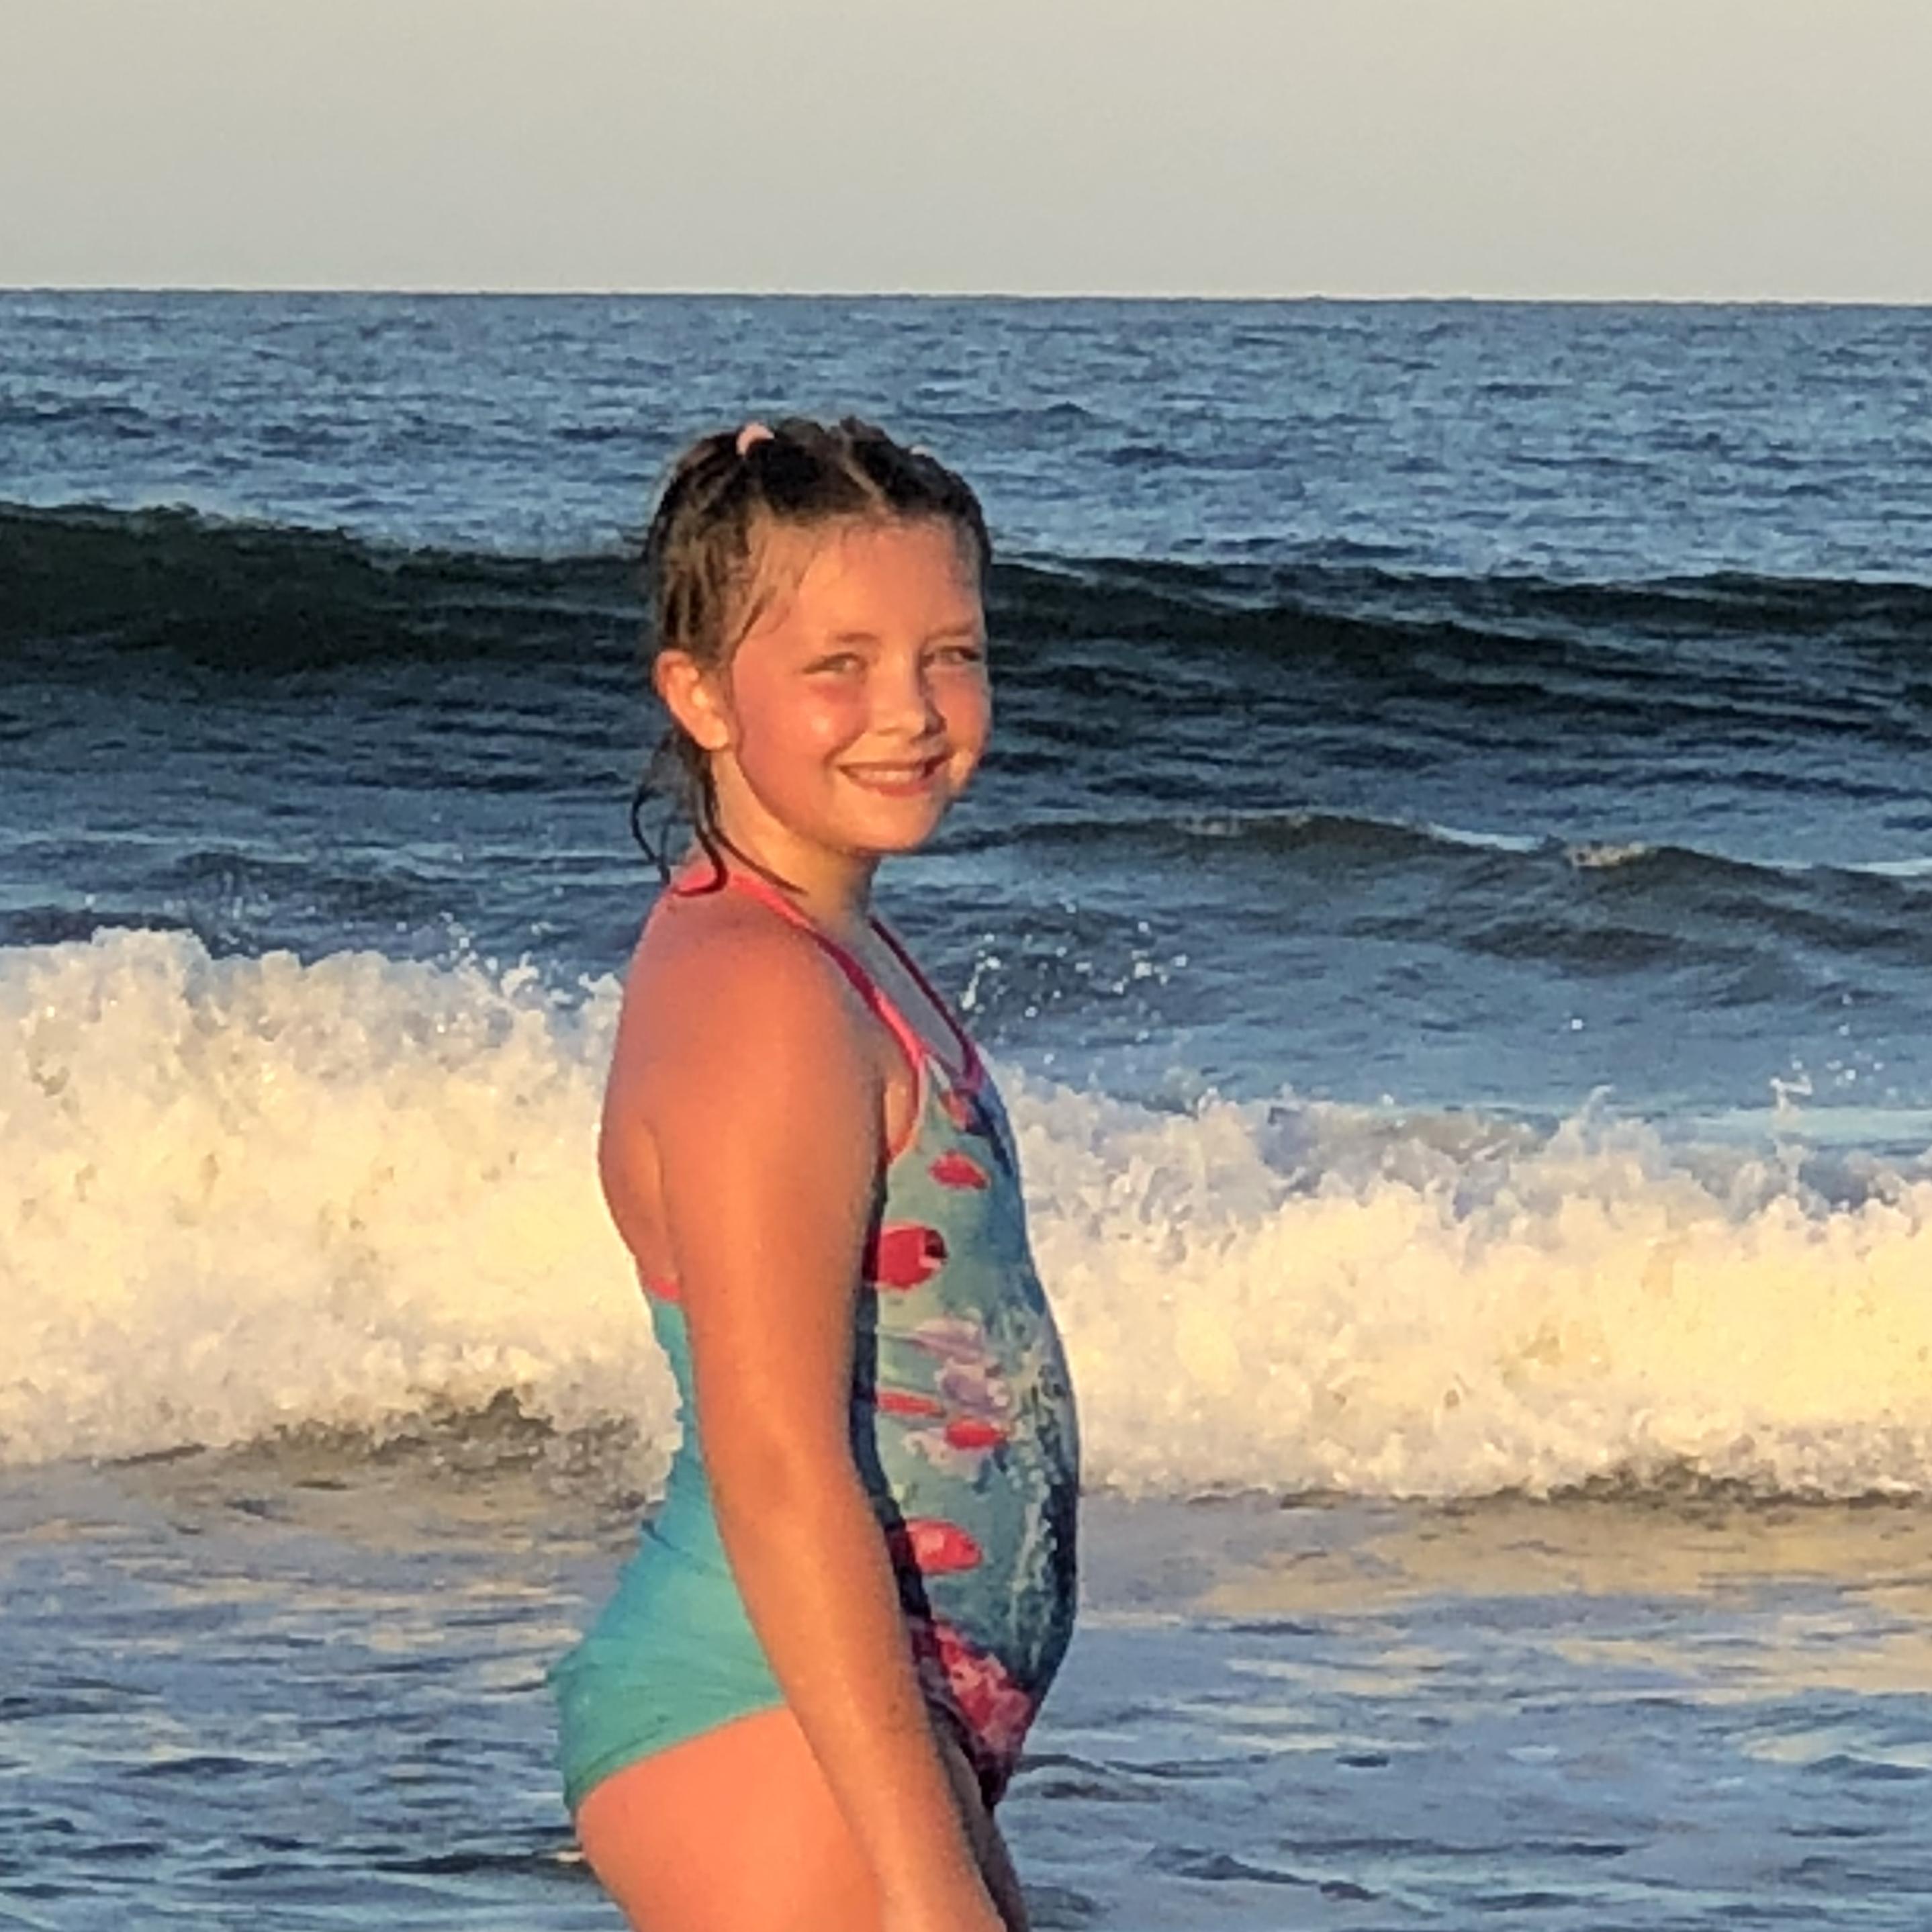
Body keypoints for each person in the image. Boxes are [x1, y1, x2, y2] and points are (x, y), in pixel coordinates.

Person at [548, 417, 1081, 1932]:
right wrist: (925, 1882)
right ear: (701, 695)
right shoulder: (762, 995)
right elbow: (777, 1457)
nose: (907, 710)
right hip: (761, 1704)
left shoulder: (830, 948)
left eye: (950, 654)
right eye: (839, 664)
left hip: (854, 1710)